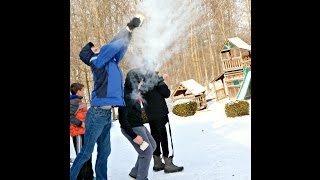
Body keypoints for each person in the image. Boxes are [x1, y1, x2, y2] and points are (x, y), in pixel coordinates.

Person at [70, 16, 144, 180]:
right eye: (95, 48)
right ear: (90, 54)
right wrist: (127, 28)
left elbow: (119, 47)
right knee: (86, 153)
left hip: (105, 115)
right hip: (96, 115)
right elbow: (112, 46)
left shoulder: (108, 60)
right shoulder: (96, 60)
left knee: (105, 152)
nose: (98, 48)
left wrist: (129, 31)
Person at [140, 70, 184, 173]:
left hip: (150, 115)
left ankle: (157, 162)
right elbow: (167, 93)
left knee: (155, 136)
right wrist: (162, 81)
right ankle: (168, 163)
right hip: (160, 114)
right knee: (164, 136)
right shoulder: (157, 80)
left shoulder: (142, 83)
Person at [118, 68, 157, 180]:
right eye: (140, 82)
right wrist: (134, 136)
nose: (142, 84)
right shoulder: (127, 96)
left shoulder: (133, 93)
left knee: (152, 146)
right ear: (135, 81)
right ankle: (142, 177)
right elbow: (122, 119)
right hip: (132, 127)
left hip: (138, 125)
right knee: (146, 152)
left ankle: (135, 172)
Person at [70, 82, 94, 180]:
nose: (84, 92)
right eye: (83, 90)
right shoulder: (73, 102)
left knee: (87, 155)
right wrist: (81, 124)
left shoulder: (79, 101)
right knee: (81, 156)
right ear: (78, 91)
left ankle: (89, 176)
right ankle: (79, 177)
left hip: (84, 132)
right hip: (78, 133)